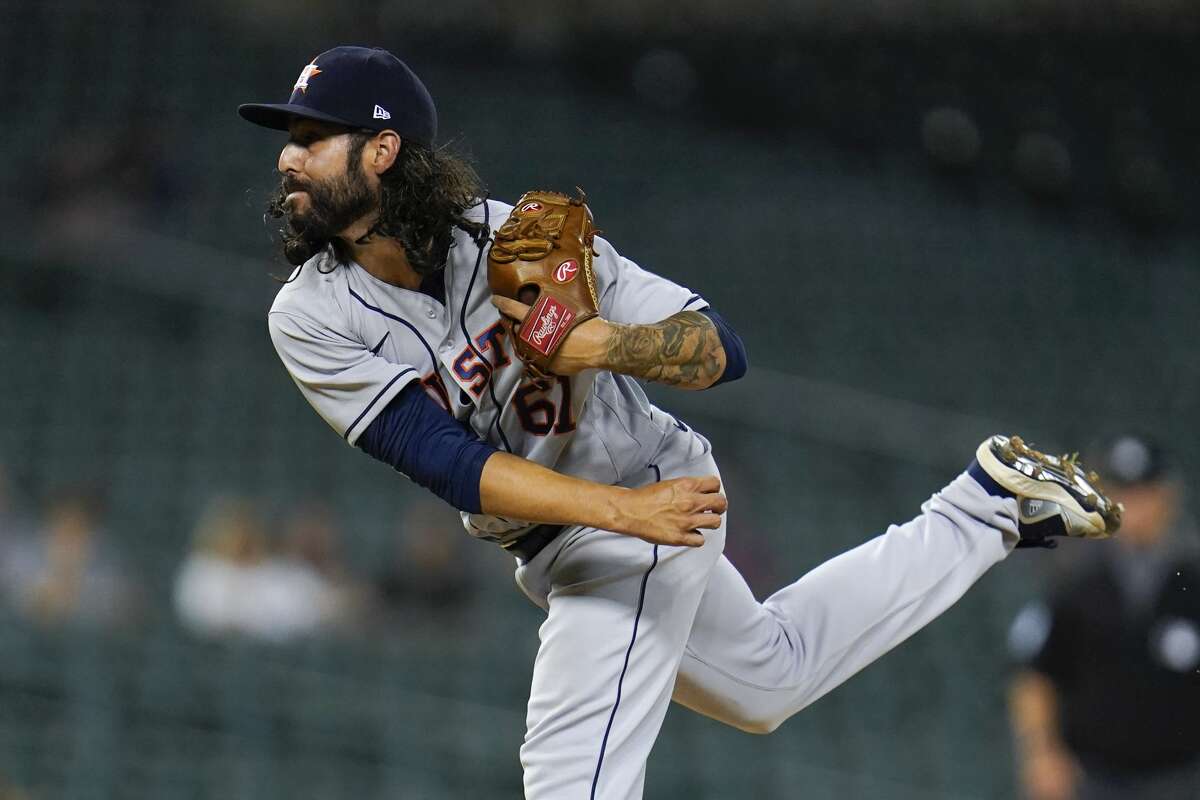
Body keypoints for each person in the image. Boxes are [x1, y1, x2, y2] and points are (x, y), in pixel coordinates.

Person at [239, 45, 1121, 799]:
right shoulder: (311, 316)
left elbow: (717, 348)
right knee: (769, 679)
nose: (289, 158)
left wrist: (595, 342)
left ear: (385, 150)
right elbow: (446, 462)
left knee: (568, 770)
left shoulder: (514, 239)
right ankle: (987, 506)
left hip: (650, 489)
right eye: (290, 139)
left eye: (313, 138)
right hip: (597, 524)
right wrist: (622, 516)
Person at [1007, 435, 1200, 800]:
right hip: (1093, 777)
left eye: (1145, 492)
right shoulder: (1076, 581)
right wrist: (1042, 754)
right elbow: (1036, 674)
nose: (1134, 507)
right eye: (1124, 493)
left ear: (1168, 496)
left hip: (1183, 778)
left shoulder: (1192, 581)